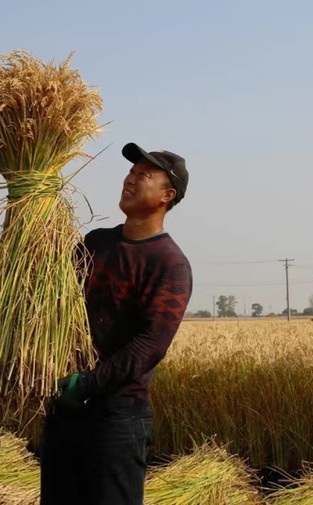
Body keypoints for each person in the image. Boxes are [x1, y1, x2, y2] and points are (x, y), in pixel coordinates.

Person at [39, 142, 194, 505]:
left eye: (144, 175)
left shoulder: (169, 263)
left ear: (166, 196)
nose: (131, 179)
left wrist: (90, 383)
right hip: (65, 410)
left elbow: (151, 344)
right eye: (130, 172)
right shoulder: (96, 243)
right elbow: (55, 298)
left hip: (117, 417)